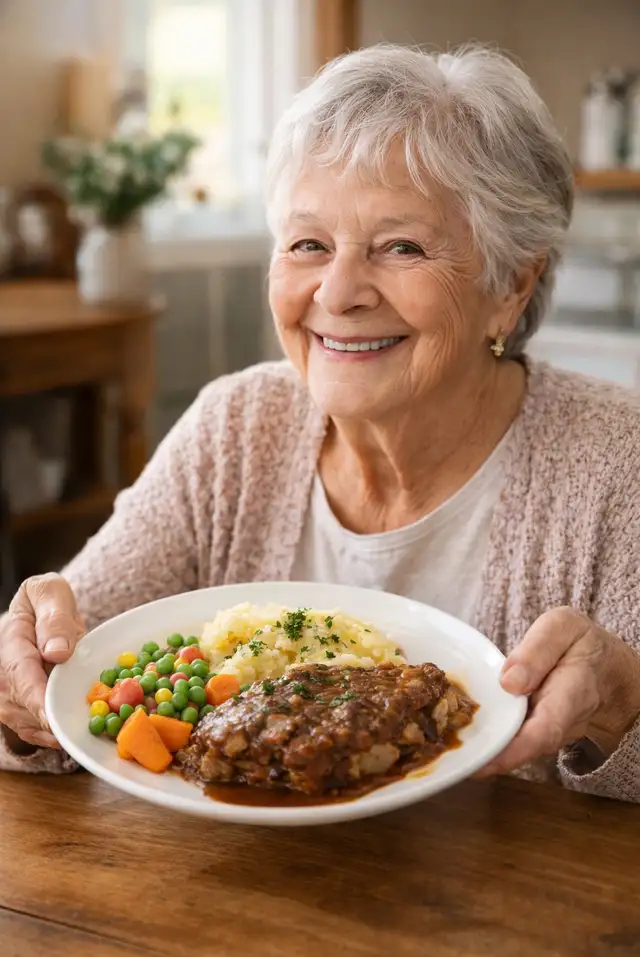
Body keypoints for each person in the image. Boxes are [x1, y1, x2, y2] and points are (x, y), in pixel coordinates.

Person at [1, 44, 639, 799]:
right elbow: (66, 671)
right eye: (309, 244)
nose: (337, 294)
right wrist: (23, 687)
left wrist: (626, 706)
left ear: (512, 283)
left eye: (400, 247)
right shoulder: (236, 429)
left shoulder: (618, 463)